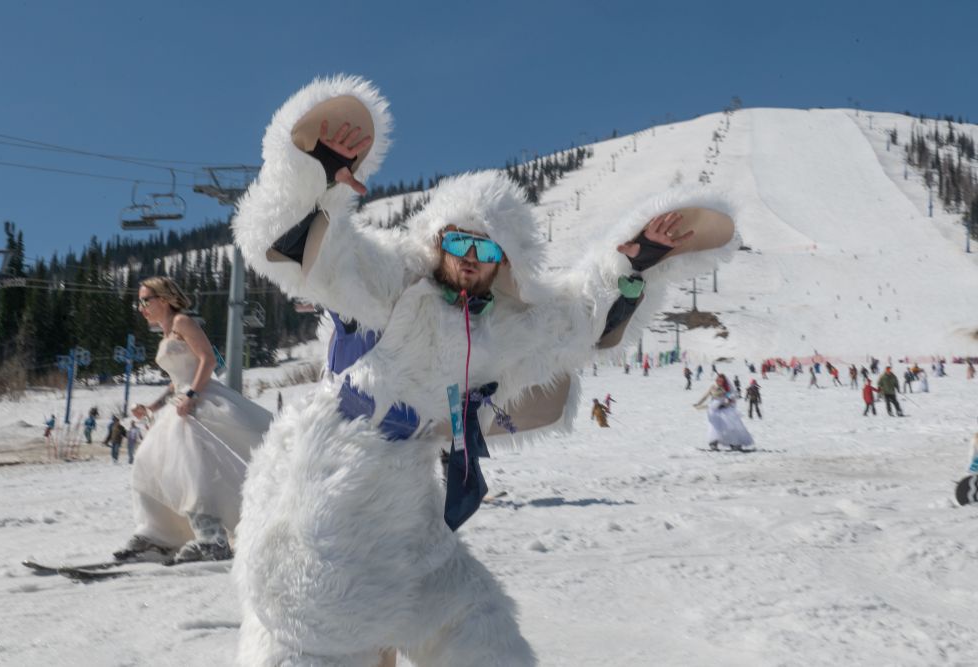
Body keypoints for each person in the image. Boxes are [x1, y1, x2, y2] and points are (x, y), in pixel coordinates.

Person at [229, 76, 735, 666]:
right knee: (324, 622)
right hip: (331, 482)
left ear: (506, 264)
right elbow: (313, 260)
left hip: (405, 498)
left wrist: (636, 262)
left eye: (489, 252)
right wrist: (315, 181)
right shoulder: (393, 279)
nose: (472, 260)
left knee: (477, 626)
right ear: (438, 240)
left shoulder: (502, 328)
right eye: (461, 244)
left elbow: (577, 323)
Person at [115, 276, 272, 565]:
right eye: (139, 302)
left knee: (191, 471)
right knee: (147, 464)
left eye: (145, 300)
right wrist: (152, 406)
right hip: (182, 402)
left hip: (200, 401)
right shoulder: (166, 332)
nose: (141, 307)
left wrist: (192, 394)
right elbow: (177, 381)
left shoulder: (183, 322)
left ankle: (211, 538)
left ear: (163, 299)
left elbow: (208, 360)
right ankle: (157, 535)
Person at [694, 377, 754, 451]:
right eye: (717, 380)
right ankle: (714, 443)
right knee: (714, 428)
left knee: (727, 428)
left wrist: (725, 404)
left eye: (721, 381)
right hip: (714, 411)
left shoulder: (726, 388)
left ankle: (734, 443)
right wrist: (698, 403)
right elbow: (705, 396)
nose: (719, 382)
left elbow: (730, 399)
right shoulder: (713, 387)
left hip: (724, 411)